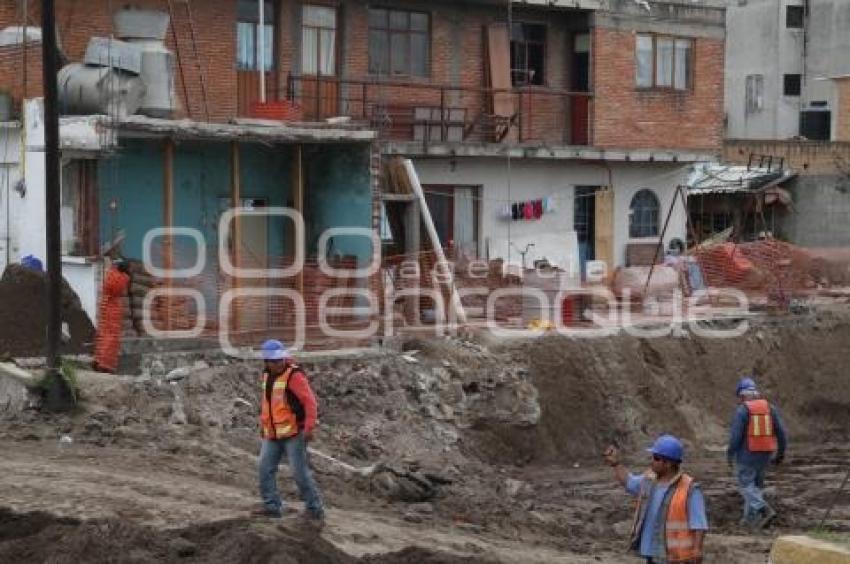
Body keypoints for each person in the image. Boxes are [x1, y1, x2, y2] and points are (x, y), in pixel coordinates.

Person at [604, 435, 708, 563]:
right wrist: (616, 464)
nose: (651, 461)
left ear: (668, 464)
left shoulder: (689, 489)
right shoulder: (648, 480)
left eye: (656, 458)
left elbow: (699, 524)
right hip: (651, 553)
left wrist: (697, 550)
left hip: (675, 557)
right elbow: (629, 482)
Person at [255, 339, 325, 525]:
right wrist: (264, 425)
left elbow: (310, 402)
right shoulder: (266, 375)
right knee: (264, 468)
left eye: (280, 360)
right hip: (272, 433)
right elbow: (268, 404)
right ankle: (272, 507)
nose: (279, 363)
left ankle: (314, 509)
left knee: (299, 472)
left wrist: (309, 427)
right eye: (274, 361)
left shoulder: (294, 376)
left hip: (294, 433)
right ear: (266, 362)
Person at [727, 376, 787, 529]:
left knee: (746, 485)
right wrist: (780, 453)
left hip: (746, 455)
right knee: (756, 487)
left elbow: (735, 437)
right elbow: (782, 433)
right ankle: (750, 520)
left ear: (742, 395)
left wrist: (729, 454)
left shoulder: (743, 410)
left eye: (740, 397)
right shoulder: (770, 408)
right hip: (765, 454)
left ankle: (763, 508)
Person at [93, 259, 131, 373]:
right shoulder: (124, 278)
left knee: (105, 335)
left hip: (107, 306)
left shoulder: (113, 275)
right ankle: (105, 363)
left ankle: (100, 361)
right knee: (111, 337)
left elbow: (108, 285)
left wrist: (111, 266)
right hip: (113, 307)